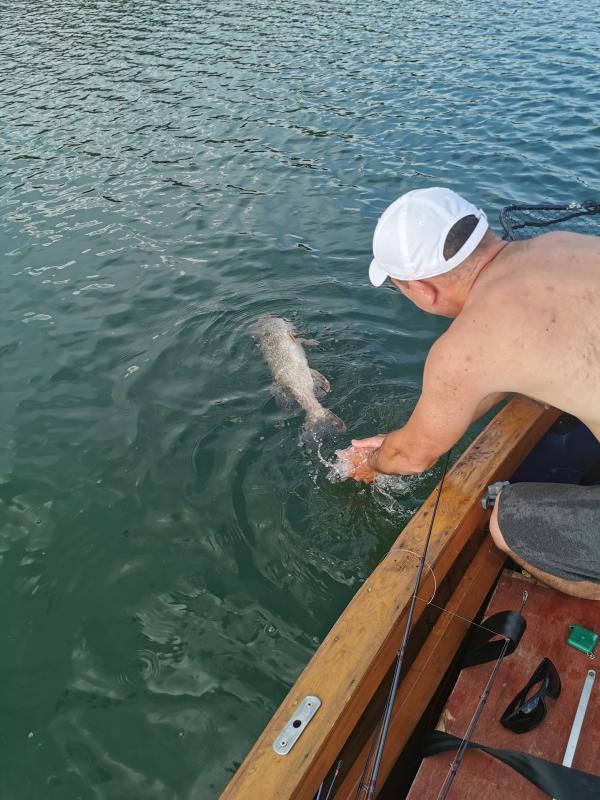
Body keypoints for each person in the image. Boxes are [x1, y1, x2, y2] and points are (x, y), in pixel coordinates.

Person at [337, 187, 600, 600]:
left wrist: (372, 463)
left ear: (423, 289)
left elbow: (413, 458)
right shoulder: (561, 244)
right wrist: (410, 435)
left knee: (507, 523)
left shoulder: (463, 349)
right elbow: (501, 368)